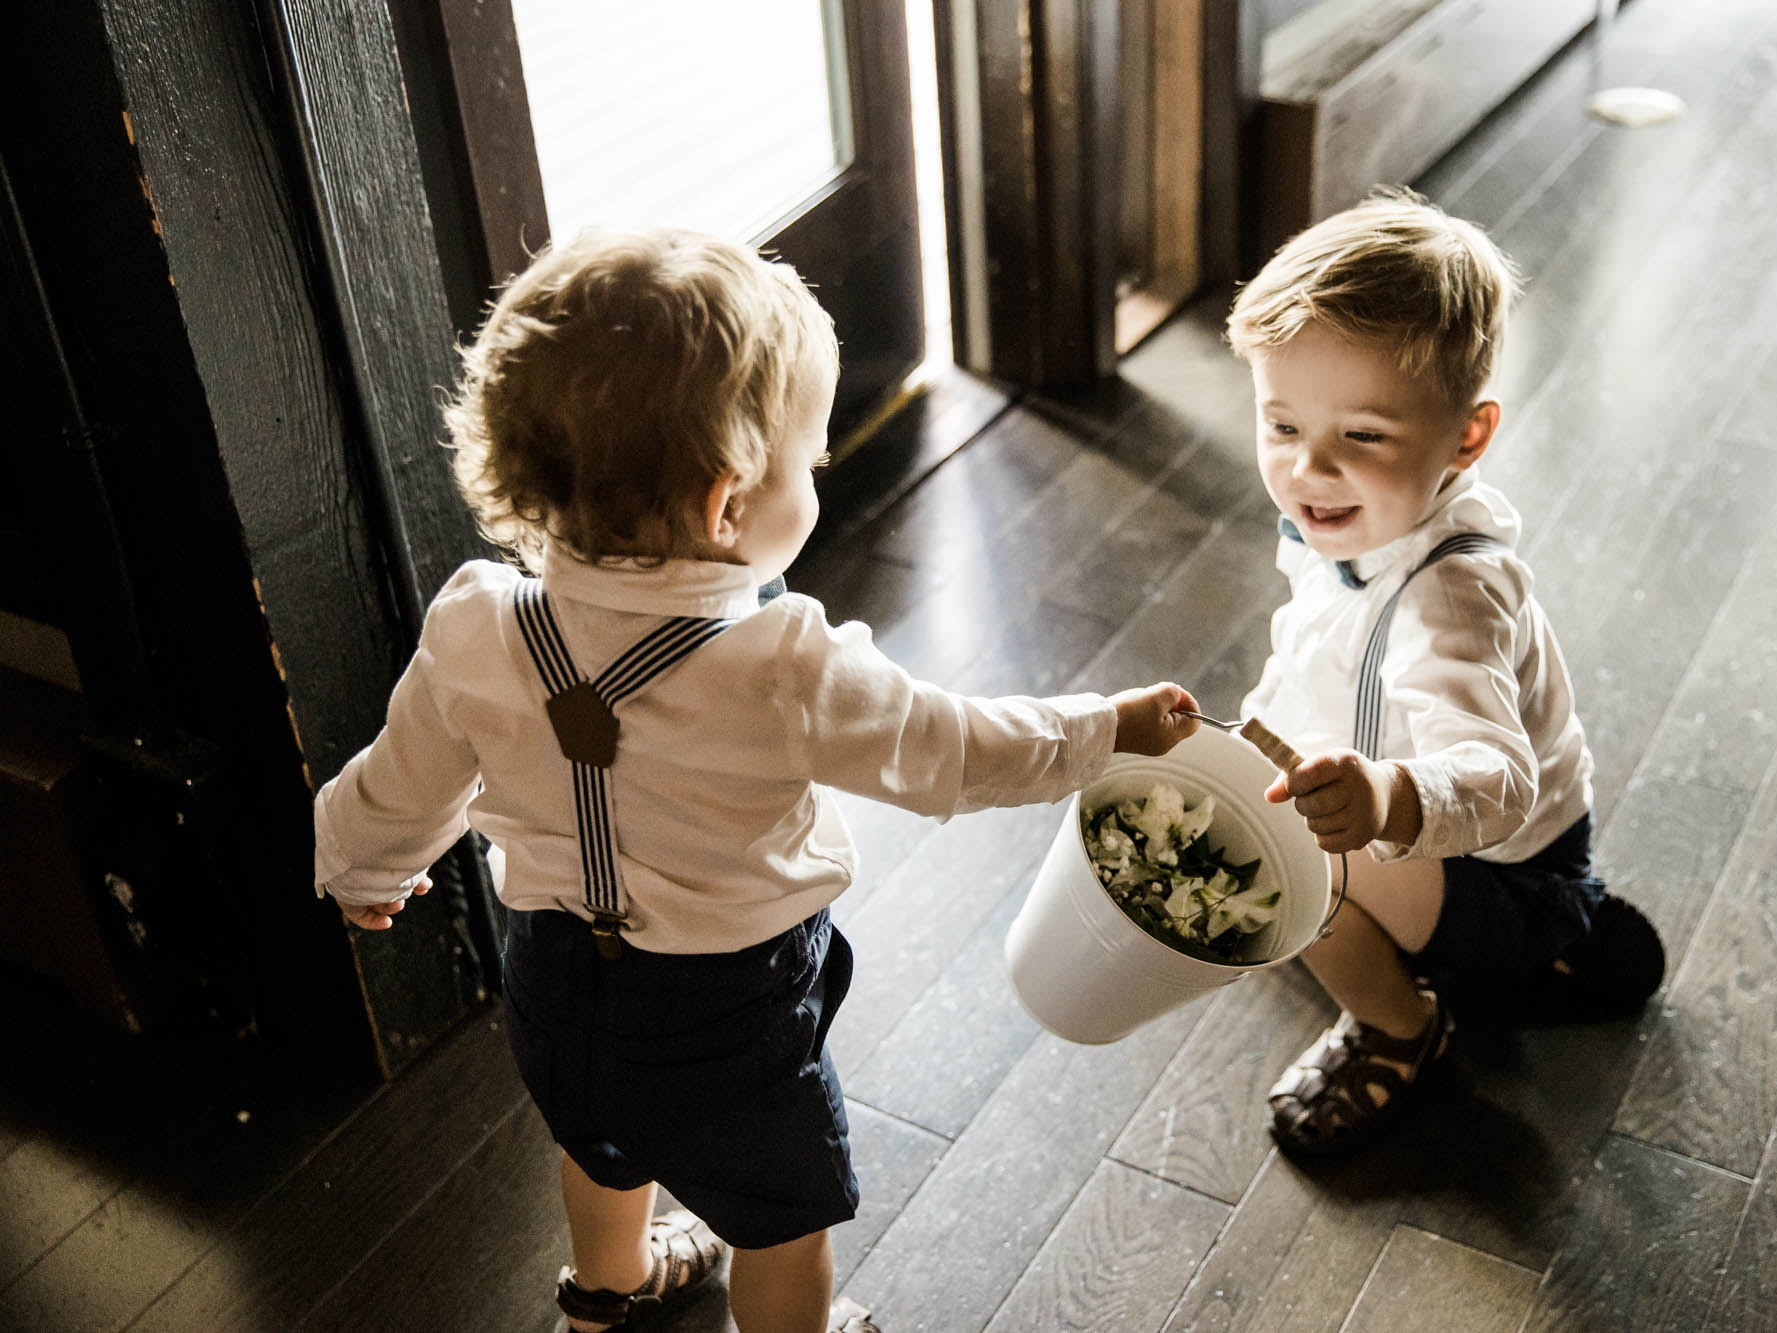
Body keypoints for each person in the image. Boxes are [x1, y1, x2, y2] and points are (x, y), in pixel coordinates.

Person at [311, 228, 1201, 1333]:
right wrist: (1104, 729)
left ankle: (605, 1293)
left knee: (598, 1139)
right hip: (724, 1008)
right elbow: (955, 752)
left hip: (548, 977)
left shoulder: (476, 620)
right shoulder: (785, 666)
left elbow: (401, 779)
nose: (816, 476)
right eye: (810, 460)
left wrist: (360, 865)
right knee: (780, 1217)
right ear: (728, 503)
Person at [1225, 188, 1665, 1158]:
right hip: (1440, 829)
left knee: (1293, 864)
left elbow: (1498, 780)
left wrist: (1381, 796)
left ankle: (1401, 1025)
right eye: (1281, 426)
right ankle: (1492, 941)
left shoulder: (1448, 595)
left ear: (1466, 436)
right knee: (1255, 817)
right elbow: (1310, 659)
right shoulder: (1340, 526)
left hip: (1503, 867)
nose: (1309, 471)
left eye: (1362, 437)